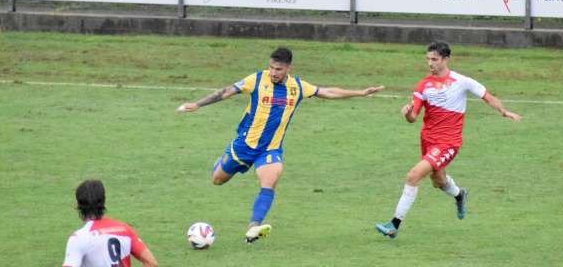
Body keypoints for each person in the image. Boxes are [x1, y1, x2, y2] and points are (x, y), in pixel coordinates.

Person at [177, 47, 384, 243]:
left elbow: (327, 92)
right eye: (271, 68)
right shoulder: (256, 79)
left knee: (270, 180)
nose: (273, 72)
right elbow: (226, 92)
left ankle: (253, 226)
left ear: (288, 68)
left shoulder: (298, 87)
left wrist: (360, 92)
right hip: (244, 146)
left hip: (270, 149)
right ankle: (221, 162)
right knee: (218, 180)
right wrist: (197, 104)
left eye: (278, 69)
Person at [375, 41, 522, 239]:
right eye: (428, 59)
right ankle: (460, 195)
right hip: (428, 140)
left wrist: (504, 111)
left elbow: (487, 97)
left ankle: (394, 225)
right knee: (438, 181)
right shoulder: (423, 85)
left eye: (434, 59)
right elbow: (413, 119)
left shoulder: (462, 81)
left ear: (446, 59)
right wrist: (407, 113)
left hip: (448, 142)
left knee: (413, 176)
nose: (430, 63)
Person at [62, 180, 158, 267]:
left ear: (79, 205)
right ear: (103, 201)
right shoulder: (124, 229)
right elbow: (151, 262)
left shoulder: (79, 238)